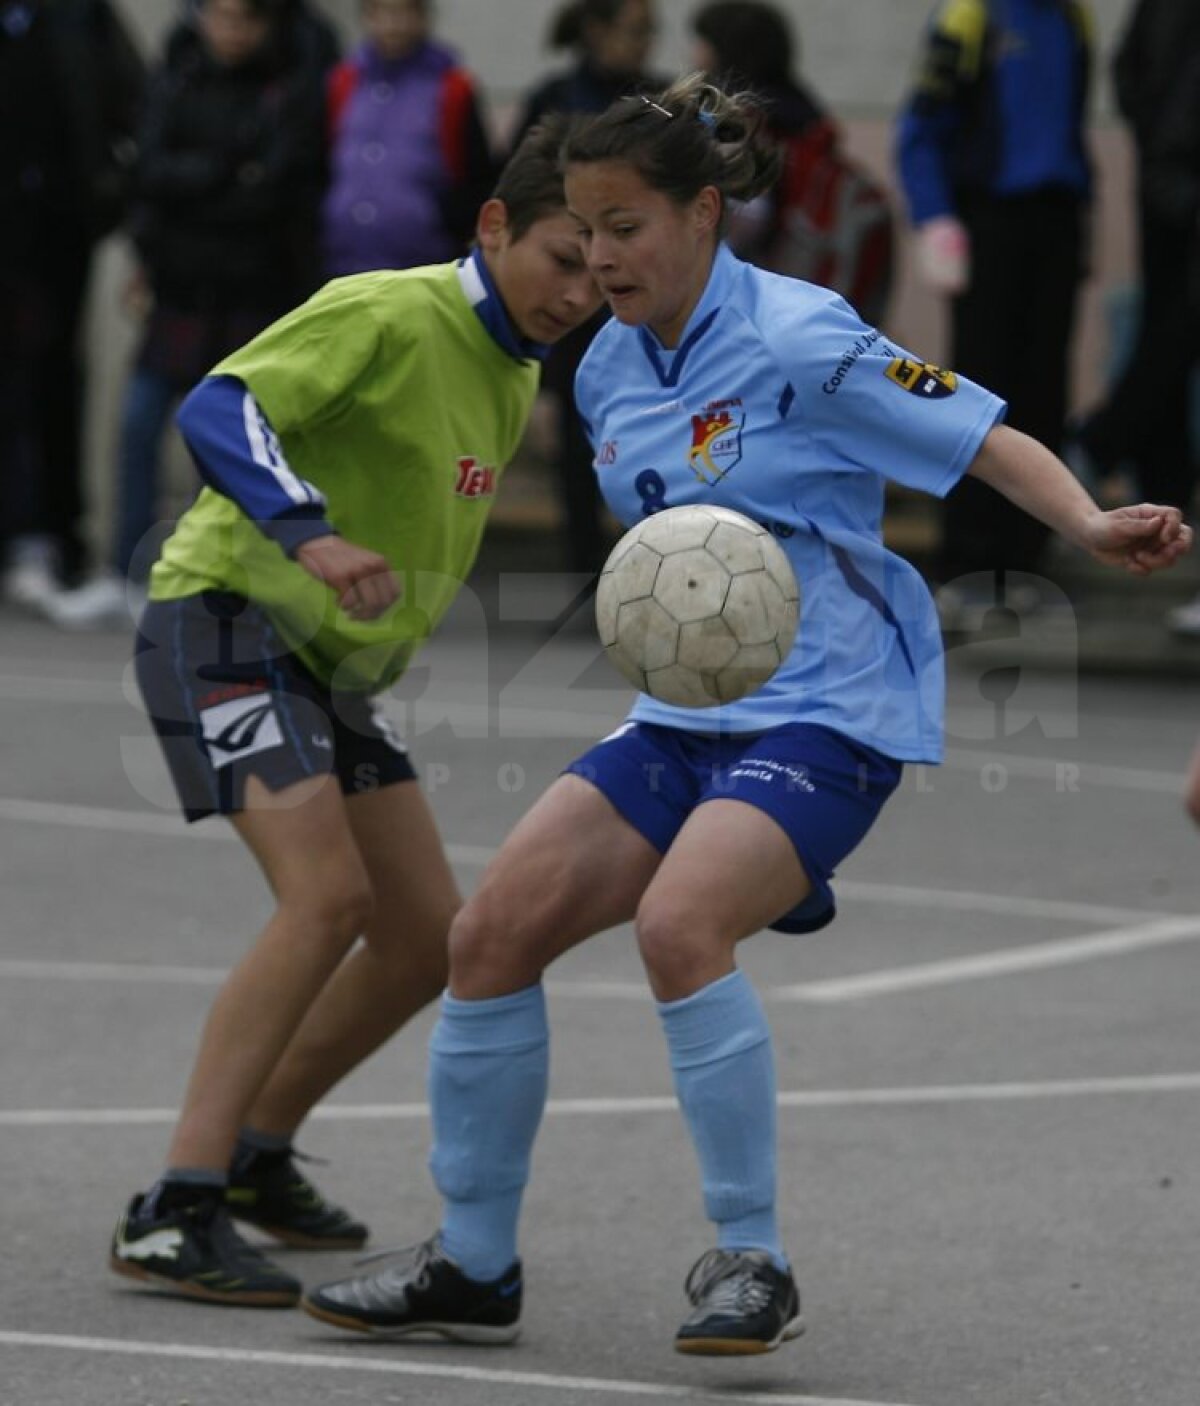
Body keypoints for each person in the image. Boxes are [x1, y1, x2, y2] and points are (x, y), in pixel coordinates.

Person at [300, 75, 1192, 1355]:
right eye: (586, 228)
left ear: (704, 213)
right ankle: (475, 1262)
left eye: (626, 225)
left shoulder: (801, 336)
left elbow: (980, 432)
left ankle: (750, 1258)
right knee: (486, 933)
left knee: (677, 924)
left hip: (833, 704)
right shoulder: (603, 369)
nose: (601, 255)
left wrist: (1092, 522)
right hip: (684, 714)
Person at [105, 117, 602, 1308]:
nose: (579, 292)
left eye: (599, 268)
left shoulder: (518, 363)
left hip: (322, 667)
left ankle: (258, 1153)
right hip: (223, 619)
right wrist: (308, 532)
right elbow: (220, 407)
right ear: (493, 227)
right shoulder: (389, 309)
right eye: (559, 259)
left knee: (428, 933)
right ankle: (174, 1204)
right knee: (326, 895)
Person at [49, 0, 328, 630]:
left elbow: (273, 185)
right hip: (179, 289)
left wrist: (202, 184)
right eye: (217, 16)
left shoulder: (292, 77)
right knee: (138, 424)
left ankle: (244, 582)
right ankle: (127, 572)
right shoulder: (176, 72)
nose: (228, 32)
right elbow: (147, 173)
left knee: (247, 446)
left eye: (242, 19)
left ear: (264, 24)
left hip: (253, 292)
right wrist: (220, 176)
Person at [894, 0, 1094, 621]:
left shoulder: (1071, 18)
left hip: (1054, 222)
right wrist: (936, 219)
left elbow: (1069, 129)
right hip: (991, 224)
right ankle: (969, 559)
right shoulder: (969, 18)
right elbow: (921, 127)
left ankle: (1027, 557)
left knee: (1045, 390)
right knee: (981, 394)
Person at [509, 0, 663, 587]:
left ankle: (656, 563)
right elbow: (519, 180)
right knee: (578, 436)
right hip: (578, 285)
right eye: (634, 32)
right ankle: (585, 572)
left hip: (642, 289)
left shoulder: (659, 101)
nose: (644, 43)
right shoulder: (555, 97)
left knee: (652, 428)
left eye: (651, 32)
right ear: (596, 31)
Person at [0, 0, 144, 606]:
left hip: (55, 233)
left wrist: (105, 200)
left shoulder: (84, 16)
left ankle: (52, 537)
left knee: (51, 378)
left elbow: (136, 105)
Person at [1068, 0, 1200, 634]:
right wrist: (1163, 152)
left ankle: (1109, 445)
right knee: (1168, 335)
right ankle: (1142, 475)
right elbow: (1134, 76)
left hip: (1168, 176)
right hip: (1173, 180)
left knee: (1171, 338)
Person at [690, 0, 894, 326]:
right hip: (806, 288)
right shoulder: (802, 109)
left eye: (701, 45)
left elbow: (747, 217)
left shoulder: (735, 119)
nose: (694, 57)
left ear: (721, 52)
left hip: (759, 295)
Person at [321, 0, 495, 278]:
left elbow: (475, 177)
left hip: (423, 261)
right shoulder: (343, 82)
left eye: (405, 12)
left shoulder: (453, 88)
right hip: (344, 262)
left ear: (424, 16)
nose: (393, 25)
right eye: (382, 12)